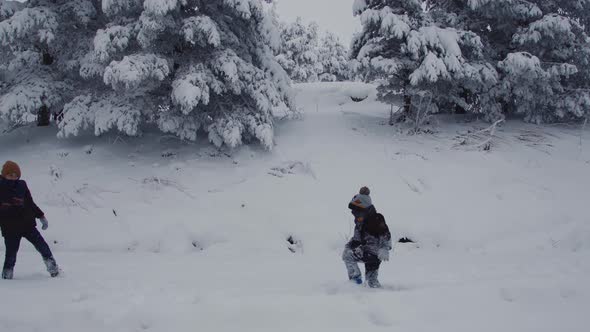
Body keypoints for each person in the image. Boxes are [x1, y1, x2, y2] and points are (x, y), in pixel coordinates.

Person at [0, 161, 59, 279]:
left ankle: (53, 269)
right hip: (10, 228)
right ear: (4, 175)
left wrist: (41, 216)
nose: (13, 177)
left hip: (27, 225)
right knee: (11, 255)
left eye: (15, 175)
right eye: (10, 174)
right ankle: (7, 276)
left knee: (43, 246)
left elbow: (30, 203)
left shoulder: (22, 185)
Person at [342, 186, 392, 288]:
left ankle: (355, 283)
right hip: (366, 252)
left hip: (375, 253)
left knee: (348, 255)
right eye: (354, 212)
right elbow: (356, 240)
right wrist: (349, 245)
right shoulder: (359, 224)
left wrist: (384, 248)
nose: (355, 215)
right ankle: (371, 290)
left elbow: (386, 234)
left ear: (365, 210)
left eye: (357, 212)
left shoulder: (377, 219)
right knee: (371, 282)